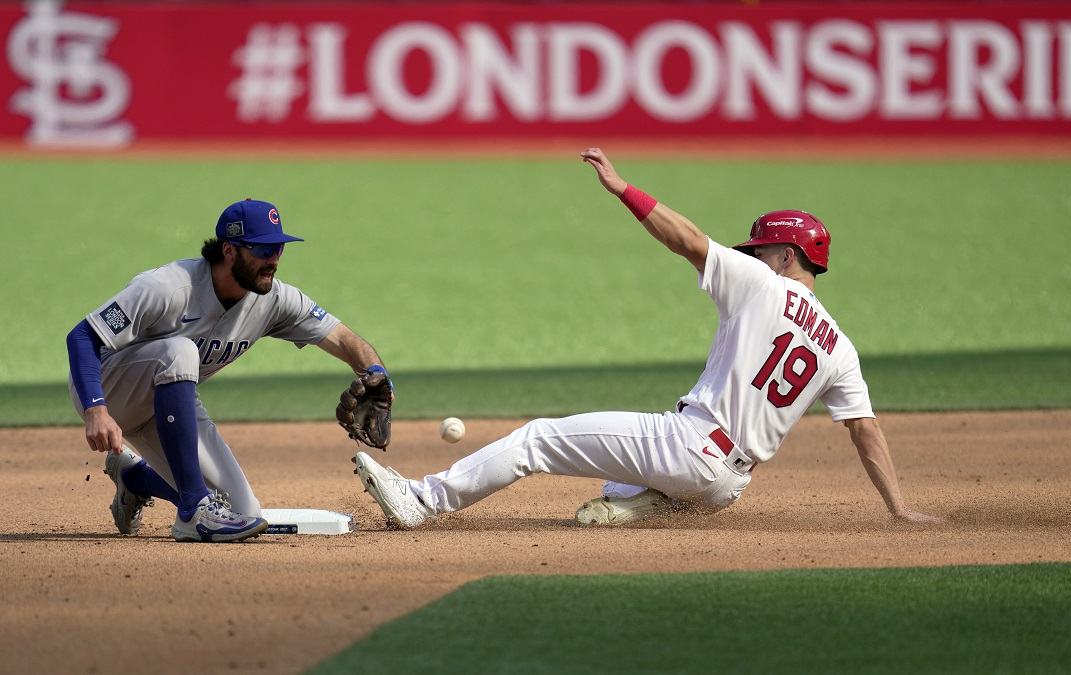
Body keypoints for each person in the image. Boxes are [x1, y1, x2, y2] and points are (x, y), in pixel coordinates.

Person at [353, 148, 942, 528]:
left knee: (539, 438)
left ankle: (423, 500)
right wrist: (899, 510)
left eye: (760, 248)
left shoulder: (763, 284)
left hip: (689, 447)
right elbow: (866, 432)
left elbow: (688, 240)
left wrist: (624, 190)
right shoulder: (839, 346)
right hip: (728, 484)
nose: (751, 254)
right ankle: (645, 500)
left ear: (786, 255)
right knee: (625, 470)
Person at [66, 198, 392, 542]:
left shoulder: (275, 300)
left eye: (278, 247)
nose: (274, 260)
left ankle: (134, 479)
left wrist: (379, 376)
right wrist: (96, 410)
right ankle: (192, 511)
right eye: (263, 249)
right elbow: (83, 335)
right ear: (230, 251)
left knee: (244, 513)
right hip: (110, 388)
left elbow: (343, 338)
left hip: (169, 401)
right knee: (180, 350)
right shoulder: (168, 287)